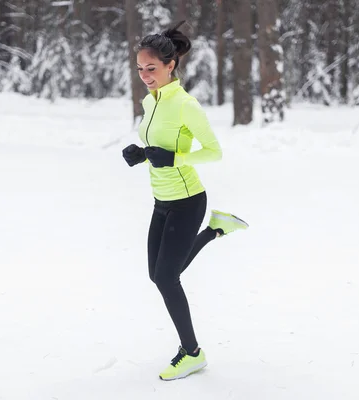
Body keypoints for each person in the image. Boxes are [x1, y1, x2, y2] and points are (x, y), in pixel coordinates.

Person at [121, 20, 249, 381]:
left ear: (170, 65)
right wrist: (141, 153)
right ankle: (215, 231)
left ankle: (192, 352)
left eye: (152, 68)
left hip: (187, 199)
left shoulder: (185, 104)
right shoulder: (151, 101)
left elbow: (214, 152)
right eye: (140, 69)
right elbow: (158, 145)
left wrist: (174, 159)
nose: (145, 75)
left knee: (165, 277)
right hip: (161, 199)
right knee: (157, 274)